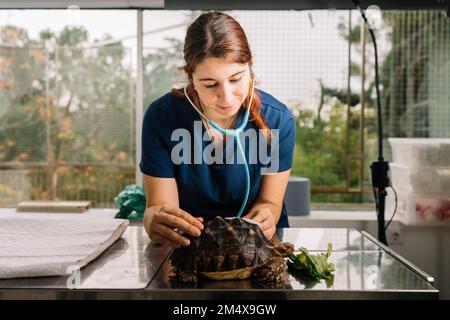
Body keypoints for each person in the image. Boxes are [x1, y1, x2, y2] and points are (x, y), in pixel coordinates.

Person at [141, 11, 296, 248]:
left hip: (257, 247)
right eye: (210, 84)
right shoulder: (162, 118)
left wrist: (266, 216)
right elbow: (163, 207)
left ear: (250, 67)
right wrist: (155, 217)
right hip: (189, 246)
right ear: (190, 77)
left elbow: (269, 202)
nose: (226, 97)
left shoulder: (277, 121)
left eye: (236, 79)